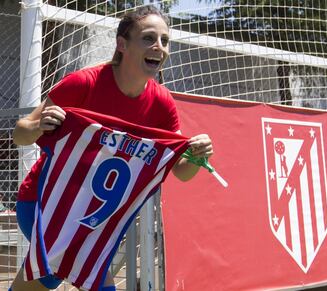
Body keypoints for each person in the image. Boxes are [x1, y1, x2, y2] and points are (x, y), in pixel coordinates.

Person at [11, 5, 213, 291]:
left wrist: (196, 155)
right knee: (54, 274)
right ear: (121, 44)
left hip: (99, 218)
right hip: (45, 204)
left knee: (57, 277)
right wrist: (38, 125)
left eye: (165, 40)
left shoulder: (162, 103)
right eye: (148, 38)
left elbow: (182, 172)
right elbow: (20, 133)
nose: (159, 47)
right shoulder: (84, 83)